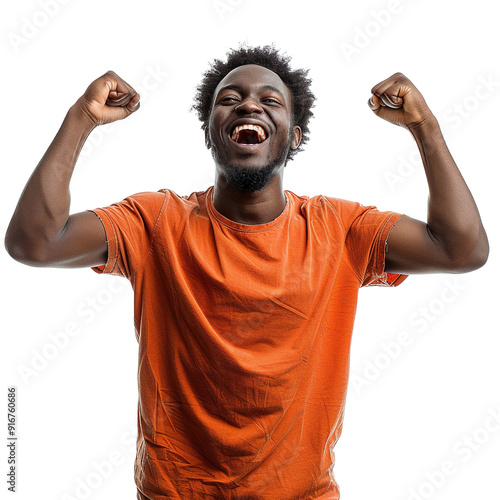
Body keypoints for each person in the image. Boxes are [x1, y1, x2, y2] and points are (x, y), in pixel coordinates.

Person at [5, 45, 489, 499]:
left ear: (294, 136)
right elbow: (35, 242)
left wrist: (424, 126)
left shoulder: (340, 229)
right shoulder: (155, 223)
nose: (248, 106)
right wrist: (81, 119)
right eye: (229, 99)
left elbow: (461, 248)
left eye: (270, 100)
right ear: (211, 131)